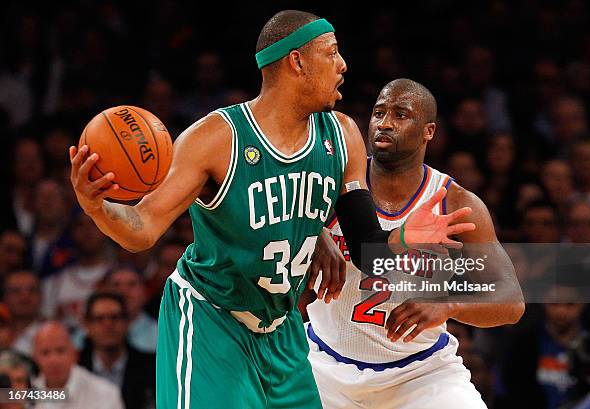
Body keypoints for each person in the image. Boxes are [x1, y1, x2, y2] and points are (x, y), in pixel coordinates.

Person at [69, 11, 474, 409]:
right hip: (213, 319)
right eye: (331, 53)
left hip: (281, 330)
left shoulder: (343, 134)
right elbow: (141, 228)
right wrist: (97, 206)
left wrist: (397, 237)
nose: (343, 65)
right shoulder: (217, 138)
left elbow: (368, 249)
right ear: (296, 61)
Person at [306, 79, 524, 408]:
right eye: (379, 113)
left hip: (421, 374)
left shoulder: (456, 204)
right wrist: (314, 231)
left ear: (429, 131)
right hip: (324, 365)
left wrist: (450, 305)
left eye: (401, 114)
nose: (385, 123)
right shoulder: (332, 185)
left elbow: (511, 303)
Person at [79, 293, 155, 409]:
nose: (108, 324)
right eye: (100, 319)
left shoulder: (152, 367)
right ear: (87, 325)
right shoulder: (75, 367)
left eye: (115, 317)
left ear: (127, 322)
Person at [31, 321, 124, 409]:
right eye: (45, 353)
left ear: (74, 354)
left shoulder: (106, 394)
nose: (53, 360)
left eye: (60, 351)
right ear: (34, 357)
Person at [3, 270, 43, 357]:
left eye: (32, 290)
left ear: (41, 296)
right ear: (5, 298)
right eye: (16, 291)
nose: (25, 297)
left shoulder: (54, 335)